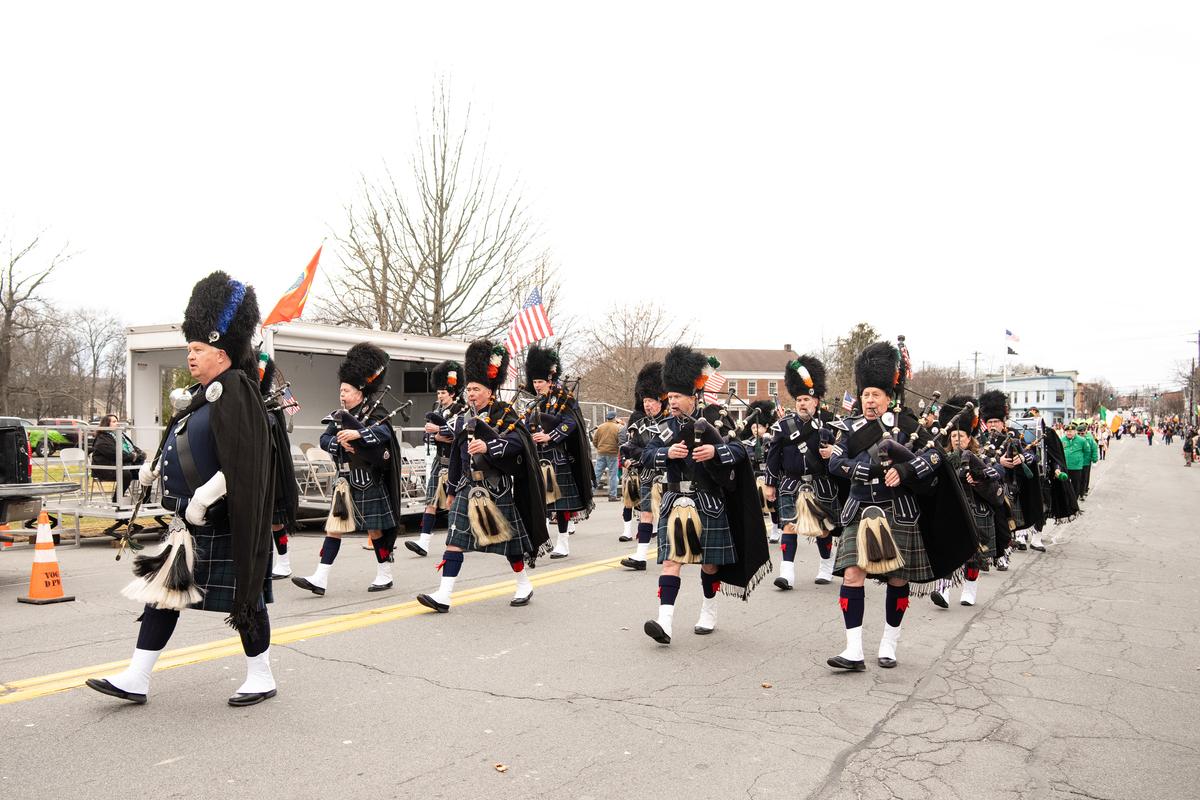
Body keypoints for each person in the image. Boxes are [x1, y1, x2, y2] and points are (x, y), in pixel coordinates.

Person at [87, 271, 276, 707]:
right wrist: (152, 471)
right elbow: (185, 435)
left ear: (222, 355)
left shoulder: (238, 392)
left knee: (244, 599)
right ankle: (136, 677)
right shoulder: (205, 393)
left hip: (223, 519)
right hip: (188, 521)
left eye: (198, 349)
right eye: (189, 348)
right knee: (164, 595)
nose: (190, 355)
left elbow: (245, 461)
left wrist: (205, 498)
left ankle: (261, 675)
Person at [825, 341, 975, 671]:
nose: (868, 400)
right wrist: (872, 470)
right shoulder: (849, 428)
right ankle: (853, 650)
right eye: (865, 394)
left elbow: (936, 456)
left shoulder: (907, 427)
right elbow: (836, 464)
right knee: (852, 575)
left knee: (897, 580)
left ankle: (889, 644)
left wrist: (905, 470)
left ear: (889, 397)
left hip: (899, 510)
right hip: (860, 508)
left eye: (875, 394)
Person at [640, 345, 770, 645]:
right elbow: (646, 454)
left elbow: (741, 449)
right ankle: (665, 621)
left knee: (710, 564)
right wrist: (666, 453)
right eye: (669, 397)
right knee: (671, 561)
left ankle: (709, 610)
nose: (671, 402)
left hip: (708, 501)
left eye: (676, 397)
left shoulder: (715, 418)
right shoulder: (664, 427)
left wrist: (715, 450)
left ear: (692, 395)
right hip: (675, 501)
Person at [415, 339, 549, 612]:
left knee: (510, 542)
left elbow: (518, 443)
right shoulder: (464, 417)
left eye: (476, 389)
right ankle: (444, 594)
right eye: (469, 389)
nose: (471, 394)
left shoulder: (505, 413)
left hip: (495, 486)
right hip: (467, 486)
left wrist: (490, 446)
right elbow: (456, 456)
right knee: (455, 539)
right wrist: (451, 490)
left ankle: (523, 583)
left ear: (489, 390)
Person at [292, 343, 403, 595]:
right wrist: (338, 444)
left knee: (375, 530)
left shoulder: (374, 411)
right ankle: (320, 577)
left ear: (360, 391)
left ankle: (384, 573)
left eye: (347, 390)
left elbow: (384, 432)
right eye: (340, 389)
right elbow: (324, 439)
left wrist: (359, 435)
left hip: (367, 480)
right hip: (344, 481)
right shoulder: (339, 415)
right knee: (334, 528)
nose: (342, 394)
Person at [764, 355, 844, 589]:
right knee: (789, 525)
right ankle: (787, 572)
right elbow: (773, 456)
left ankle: (826, 566)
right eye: (799, 399)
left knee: (822, 529)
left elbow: (843, 452)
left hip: (820, 484)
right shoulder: (783, 426)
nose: (801, 403)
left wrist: (833, 448)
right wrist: (770, 483)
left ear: (816, 401)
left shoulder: (829, 426)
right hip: (791, 483)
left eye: (806, 399)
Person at [929, 397, 1003, 608]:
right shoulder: (942, 456)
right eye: (953, 435)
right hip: (950, 509)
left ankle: (970, 588)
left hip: (974, 509)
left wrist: (978, 479)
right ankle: (942, 590)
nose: (957, 439)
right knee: (947, 551)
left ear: (969, 438)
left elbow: (995, 478)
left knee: (973, 554)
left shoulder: (979, 457)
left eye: (961, 435)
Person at [524, 344, 593, 559]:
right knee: (540, 502)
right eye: (534, 382)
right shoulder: (536, 401)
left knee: (561, 505)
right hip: (538, 455)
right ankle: (541, 540)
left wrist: (549, 436)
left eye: (540, 382)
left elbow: (571, 423)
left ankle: (563, 543)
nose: (537, 386)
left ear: (550, 380)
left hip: (558, 454)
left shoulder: (565, 397)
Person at [408, 360, 464, 558]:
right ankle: (424, 542)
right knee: (431, 501)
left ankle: (459, 539)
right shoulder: (437, 410)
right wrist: (434, 435)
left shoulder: (460, 410)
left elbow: (459, 433)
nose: (439, 396)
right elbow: (427, 436)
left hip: (455, 463)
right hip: (439, 461)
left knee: (454, 503)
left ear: (452, 394)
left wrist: (439, 432)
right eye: (438, 392)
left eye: (443, 393)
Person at [619, 362, 669, 570]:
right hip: (647, 476)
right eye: (645, 400)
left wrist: (644, 453)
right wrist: (643, 454)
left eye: (651, 401)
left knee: (668, 518)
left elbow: (665, 452)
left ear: (661, 400)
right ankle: (640, 556)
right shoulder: (638, 425)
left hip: (668, 479)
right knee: (646, 515)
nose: (647, 405)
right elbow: (630, 447)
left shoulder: (671, 423)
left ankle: (670, 554)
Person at [260, 356, 299, 580]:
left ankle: (283, 562)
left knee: (275, 521)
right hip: (249, 469)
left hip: (271, 466)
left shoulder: (271, 402)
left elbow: (272, 425)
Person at [90, 413, 146, 503]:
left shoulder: (121, 435)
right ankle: (116, 500)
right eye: (114, 422)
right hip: (106, 468)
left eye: (117, 421)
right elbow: (114, 453)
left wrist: (140, 454)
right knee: (126, 474)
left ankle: (146, 501)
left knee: (147, 473)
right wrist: (132, 457)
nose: (117, 424)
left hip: (123, 465)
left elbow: (133, 448)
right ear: (106, 424)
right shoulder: (101, 439)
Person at [592, 410, 621, 501]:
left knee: (596, 475)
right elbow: (620, 441)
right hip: (613, 454)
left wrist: (599, 448)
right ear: (614, 417)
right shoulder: (617, 428)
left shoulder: (600, 427)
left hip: (601, 453)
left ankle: (590, 494)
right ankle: (612, 495)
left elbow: (594, 441)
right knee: (613, 475)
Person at [1061, 423, 1091, 501]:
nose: (1069, 433)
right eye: (1067, 431)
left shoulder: (1082, 440)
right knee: (1065, 484)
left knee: (1076, 484)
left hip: (1076, 467)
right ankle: (1067, 499)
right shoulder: (1062, 439)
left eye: (1071, 431)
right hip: (1065, 466)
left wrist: (1081, 461)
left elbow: (1087, 451)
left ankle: (1074, 500)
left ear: (1075, 432)